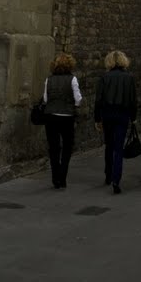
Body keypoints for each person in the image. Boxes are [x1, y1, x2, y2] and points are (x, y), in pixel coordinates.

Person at [94, 49, 137, 195]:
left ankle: (108, 174)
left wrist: (97, 119)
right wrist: (134, 118)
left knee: (109, 145)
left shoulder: (105, 78)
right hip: (122, 115)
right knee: (118, 148)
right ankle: (116, 179)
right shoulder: (129, 78)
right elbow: (133, 100)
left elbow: (98, 100)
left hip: (107, 115)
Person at [43, 52, 82, 190]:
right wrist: (73, 106)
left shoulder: (49, 79)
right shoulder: (72, 79)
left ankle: (55, 178)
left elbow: (46, 99)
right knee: (67, 147)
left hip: (51, 116)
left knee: (53, 148)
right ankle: (62, 177)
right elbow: (78, 98)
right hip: (67, 116)